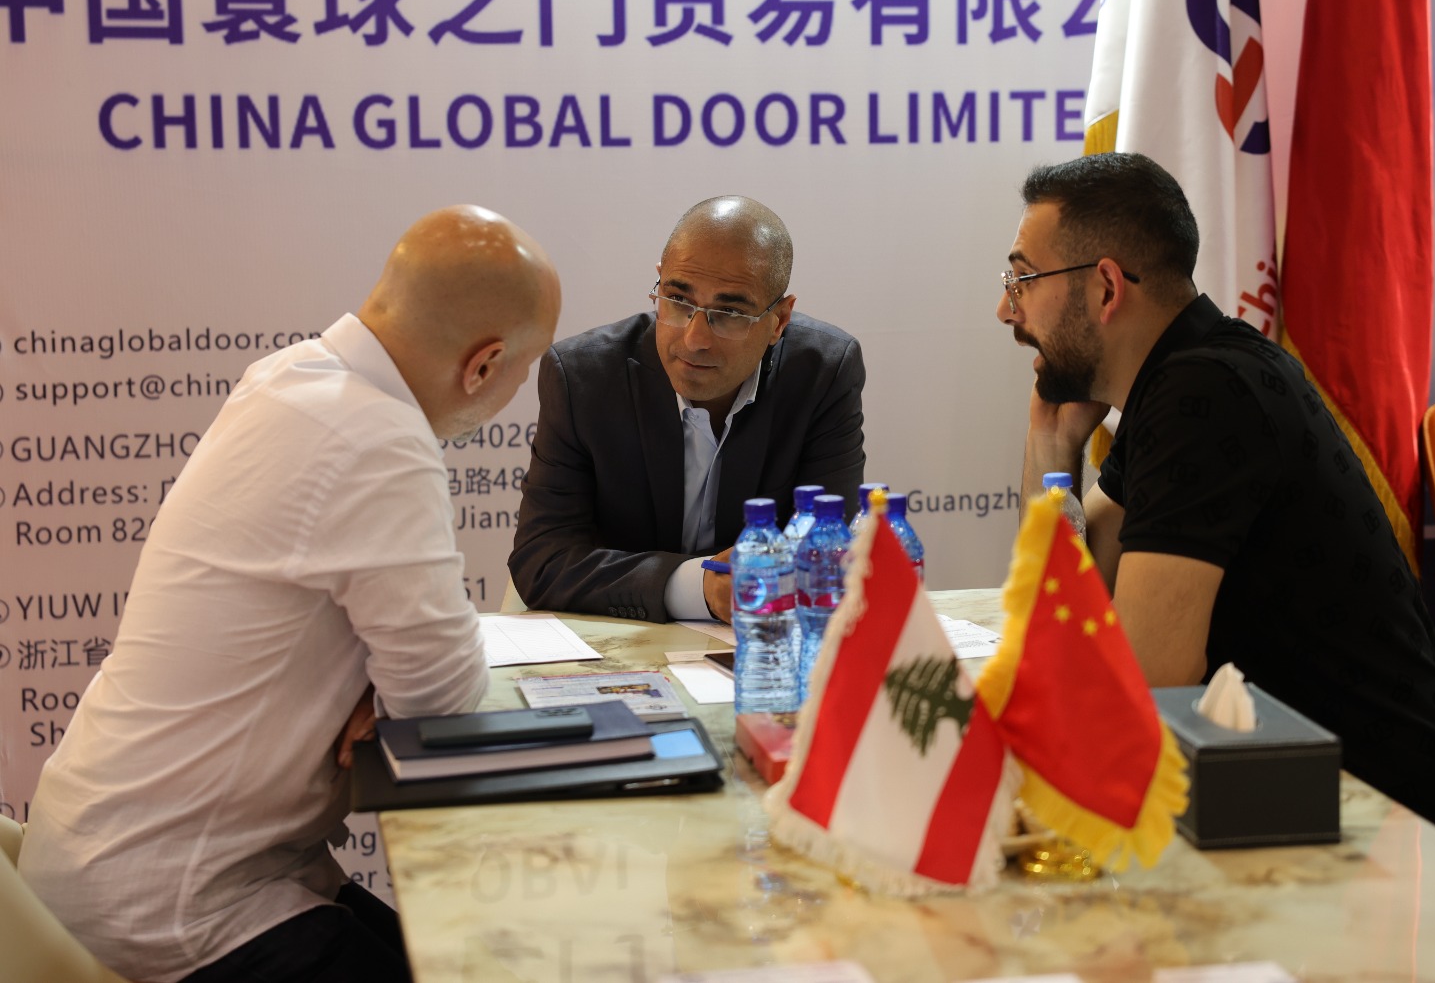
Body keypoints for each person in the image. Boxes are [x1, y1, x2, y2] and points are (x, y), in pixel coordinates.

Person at [19, 205, 562, 983]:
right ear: (484, 365)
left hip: (113, 859)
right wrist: (396, 684)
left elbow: (409, 674)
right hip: (179, 908)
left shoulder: (290, 376)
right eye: (524, 371)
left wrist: (382, 681)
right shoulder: (381, 439)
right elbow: (441, 705)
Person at [998, 153, 1435, 823]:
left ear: (1106, 288)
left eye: (1021, 280)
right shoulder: (1188, 375)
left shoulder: (1205, 394)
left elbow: (1145, 682)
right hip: (1288, 790)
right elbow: (1071, 596)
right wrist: (1051, 447)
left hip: (1375, 821)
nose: (1005, 310)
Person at [509, 195, 865, 624]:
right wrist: (698, 588)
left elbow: (825, 550)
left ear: (779, 321)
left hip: (756, 641)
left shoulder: (823, 373)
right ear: (659, 284)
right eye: (678, 300)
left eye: (729, 312)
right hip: (623, 634)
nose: (695, 339)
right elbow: (542, 560)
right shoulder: (583, 377)